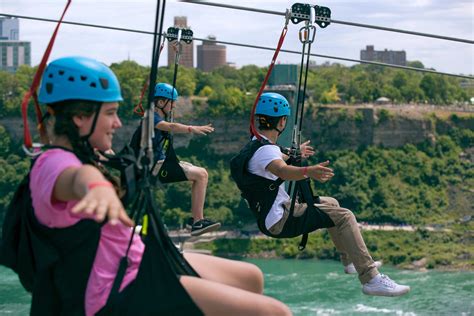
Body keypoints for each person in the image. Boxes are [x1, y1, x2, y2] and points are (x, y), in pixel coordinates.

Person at [19, 57, 291, 315]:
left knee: (250, 278)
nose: (118, 123)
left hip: (132, 258)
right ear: (80, 117)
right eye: (111, 113)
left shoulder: (81, 155)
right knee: (274, 312)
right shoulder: (55, 164)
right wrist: (99, 189)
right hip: (116, 283)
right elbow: (76, 178)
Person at [231, 92, 410, 297]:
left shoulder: (256, 143)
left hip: (272, 217)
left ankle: (351, 261)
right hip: (281, 219)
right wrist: (309, 171)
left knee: (332, 203)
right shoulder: (266, 151)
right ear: (282, 121)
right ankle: (371, 278)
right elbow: (281, 169)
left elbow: (276, 155)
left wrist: (295, 152)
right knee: (344, 216)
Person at [137, 83, 221, 236]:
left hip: (159, 163)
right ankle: (197, 222)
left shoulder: (154, 116)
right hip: (154, 166)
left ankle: (193, 221)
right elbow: (171, 126)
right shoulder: (151, 117)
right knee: (201, 174)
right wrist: (191, 128)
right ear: (161, 102)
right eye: (172, 102)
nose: (174, 105)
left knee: (199, 174)